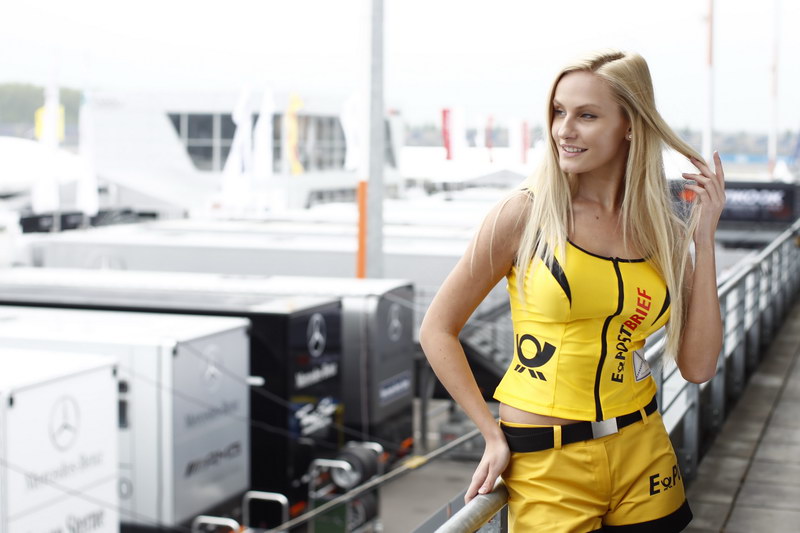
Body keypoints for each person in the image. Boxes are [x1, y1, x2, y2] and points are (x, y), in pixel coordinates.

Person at [419, 50, 725, 532]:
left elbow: (699, 367)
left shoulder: (661, 230)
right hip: (547, 462)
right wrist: (491, 434)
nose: (564, 129)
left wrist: (702, 241)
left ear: (630, 125)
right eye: (559, 112)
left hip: (643, 447)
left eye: (586, 115)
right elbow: (437, 329)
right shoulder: (524, 215)